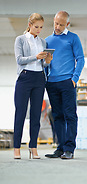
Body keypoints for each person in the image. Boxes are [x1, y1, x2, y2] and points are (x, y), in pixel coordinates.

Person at [45, 11, 85, 159]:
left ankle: (69, 149)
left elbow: (80, 59)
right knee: (57, 116)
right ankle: (60, 148)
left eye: (61, 24)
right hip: (51, 83)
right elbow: (45, 63)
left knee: (70, 115)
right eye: (56, 23)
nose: (58, 26)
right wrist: (45, 77)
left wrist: (74, 78)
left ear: (67, 24)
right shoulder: (47, 40)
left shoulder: (73, 38)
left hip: (68, 82)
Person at [14, 13, 52, 159]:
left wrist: (47, 60)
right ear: (29, 25)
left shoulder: (43, 42)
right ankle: (17, 148)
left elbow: (43, 64)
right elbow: (19, 60)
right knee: (21, 114)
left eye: (41, 27)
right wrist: (35, 57)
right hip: (24, 77)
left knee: (36, 115)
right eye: (36, 27)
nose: (39, 30)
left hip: (39, 78)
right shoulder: (21, 40)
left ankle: (33, 148)